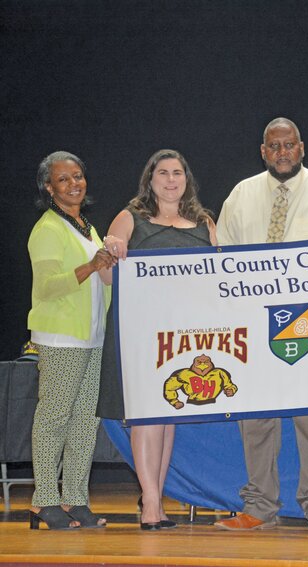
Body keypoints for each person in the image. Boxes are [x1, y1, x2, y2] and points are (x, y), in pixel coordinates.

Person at [214, 117, 308, 533]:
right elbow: (222, 262)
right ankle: (259, 505)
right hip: (253, 325)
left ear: (302, 147)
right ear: (263, 152)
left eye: (288, 145)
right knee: (256, 418)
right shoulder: (241, 195)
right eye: (273, 146)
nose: (282, 152)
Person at [97, 149, 217, 530]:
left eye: (177, 173)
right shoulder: (130, 219)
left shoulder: (203, 223)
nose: (170, 180)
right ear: (150, 180)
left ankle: (156, 499)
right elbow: (106, 277)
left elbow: (220, 278)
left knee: (167, 417)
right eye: (162, 173)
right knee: (148, 417)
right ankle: (150, 504)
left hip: (185, 336)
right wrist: (109, 255)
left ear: (187, 180)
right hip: (141, 333)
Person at [27, 151, 115, 530]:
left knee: (85, 422)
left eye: (78, 176)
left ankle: (75, 499)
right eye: (63, 179)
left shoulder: (85, 227)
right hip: (61, 338)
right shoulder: (47, 228)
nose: (74, 184)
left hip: (91, 338)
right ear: (49, 187)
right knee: (54, 419)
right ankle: (43, 500)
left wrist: (105, 266)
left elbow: (98, 278)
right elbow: (46, 287)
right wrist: (91, 266)